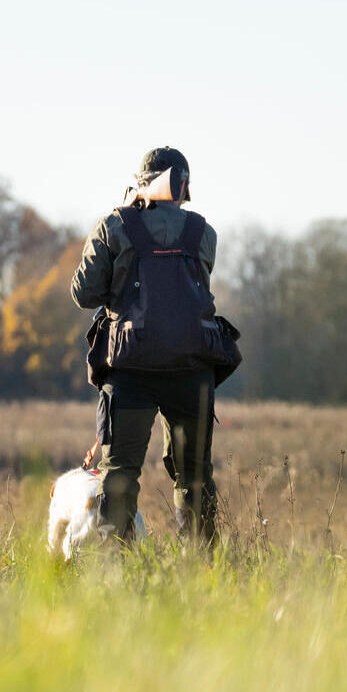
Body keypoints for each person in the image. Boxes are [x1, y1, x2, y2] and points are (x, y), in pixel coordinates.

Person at [70, 145, 224, 544]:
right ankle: (202, 570)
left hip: (129, 370)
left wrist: (121, 220)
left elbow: (84, 293)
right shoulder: (203, 232)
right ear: (185, 185)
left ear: (141, 184)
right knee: (194, 475)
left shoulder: (114, 225)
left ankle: (112, 568)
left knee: (119, 472)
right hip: (192, 370)